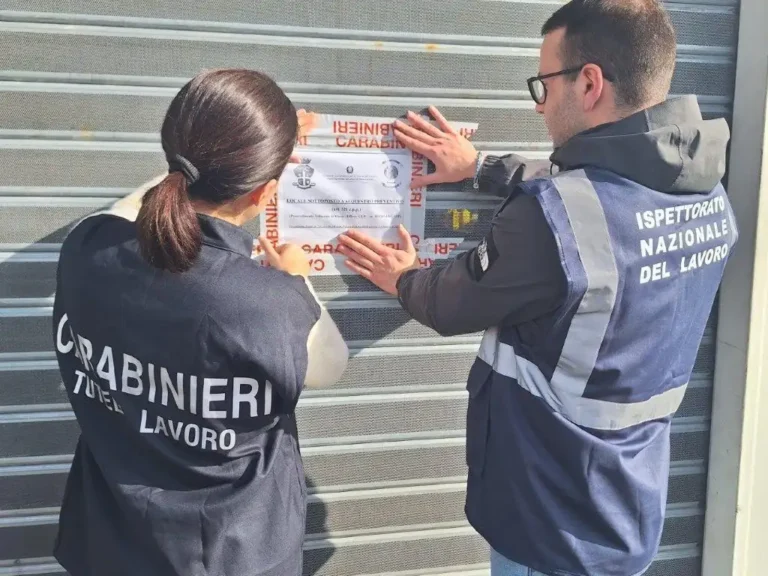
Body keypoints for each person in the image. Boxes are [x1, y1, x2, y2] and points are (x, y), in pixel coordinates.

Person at [338, 0, 738, 574]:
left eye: (543, 85)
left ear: (591, 83)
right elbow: (605, 196)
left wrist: (401, 275)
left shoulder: (553, 221)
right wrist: (482, 167)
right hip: (626, 509)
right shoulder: (704, 192)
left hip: (550, 518)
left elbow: (453, 301)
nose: (540, 105)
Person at [52, 68, 349, 576]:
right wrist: (299, 281)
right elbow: (330, 365)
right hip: (228, 553)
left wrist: (226, 153)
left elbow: (134, 209)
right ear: (264, 194)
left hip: (108, 538)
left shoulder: (87, 246)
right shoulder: (267, 302)